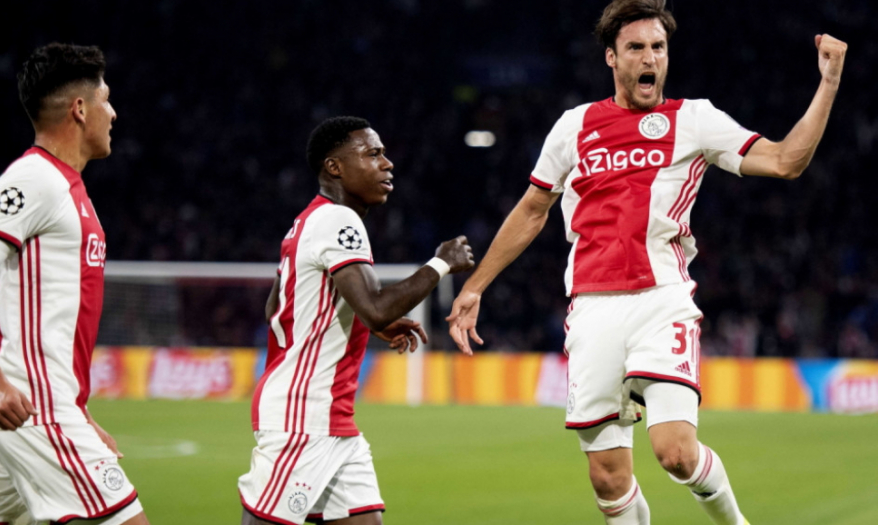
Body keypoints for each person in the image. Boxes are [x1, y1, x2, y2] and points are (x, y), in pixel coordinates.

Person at [446, 1, 847, 524]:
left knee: (676, 452)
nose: (649, 57)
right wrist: (475, 286)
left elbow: (784, 160)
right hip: (592, 308)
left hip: (662, 299)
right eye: (635, 47)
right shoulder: (574, 126)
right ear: (611, 57)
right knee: (608, 477)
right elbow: (531, 210)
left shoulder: (694, 119)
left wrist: (829, 82)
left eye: (658, 47)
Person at [0, 43, 149, 525]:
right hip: (36, 409)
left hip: (41, 408)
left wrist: (81, 412)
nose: (113, 113)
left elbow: (51, 322)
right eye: (106, 100)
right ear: (79, 109)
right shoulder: (35, 178)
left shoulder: (68, 187)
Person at [238, 116, 474, 525]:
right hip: (304, 413)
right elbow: (377, 306)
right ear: (334, 167)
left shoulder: (307, 221)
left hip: (333, 417)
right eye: (372, 154)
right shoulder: (338, 219)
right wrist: (440, 264)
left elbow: (277, 306)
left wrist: (362, 322)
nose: (387, 163)